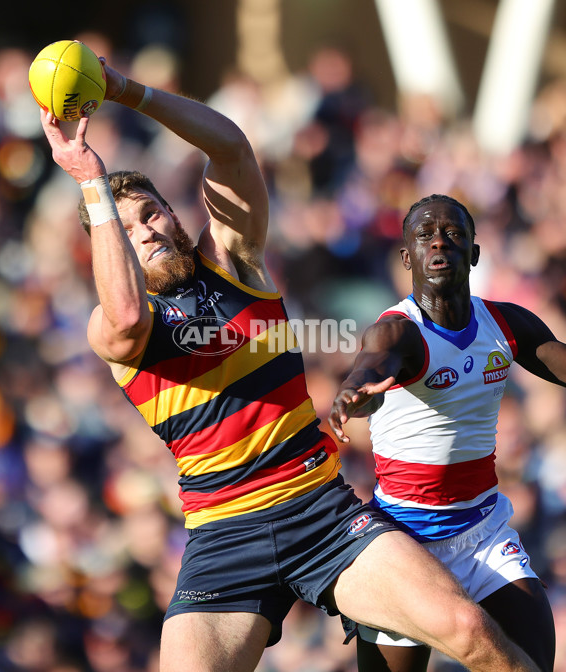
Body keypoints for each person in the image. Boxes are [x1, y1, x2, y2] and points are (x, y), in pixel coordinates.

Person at [39, 51, 542, 672]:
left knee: (470, 629)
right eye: (126, 226)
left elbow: (231, 152)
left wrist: (126, 90)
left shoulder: (232, 262)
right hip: (223, 538)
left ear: (174, 215)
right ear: (105, 246)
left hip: (321, 512)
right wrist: (92, 182)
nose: (146, 229)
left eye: (153, 212)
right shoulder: (110, 325)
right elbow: (125, 318)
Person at [329, 193, 557, 672]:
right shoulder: (399, 331)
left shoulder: (504, 323)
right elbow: (372, 364)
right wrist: (356, 393)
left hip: (483, 533)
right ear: (406, 256)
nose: (439, 243)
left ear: (474, 253)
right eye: (425, 234)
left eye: (454, 234)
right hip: (406, 544)